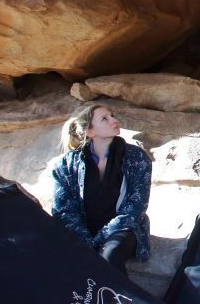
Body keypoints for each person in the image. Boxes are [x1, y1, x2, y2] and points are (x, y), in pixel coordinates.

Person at [51, 104, 152, 276]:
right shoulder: (66, 164)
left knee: (109, 255)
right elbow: (63, 210)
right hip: (83, 230)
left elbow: (136, 208)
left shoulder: (136, 157)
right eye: (105, 118)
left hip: (122, 230)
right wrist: (86, 241)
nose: (115, 120)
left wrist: (99, 239)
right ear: (90, 132)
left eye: (112, 115)